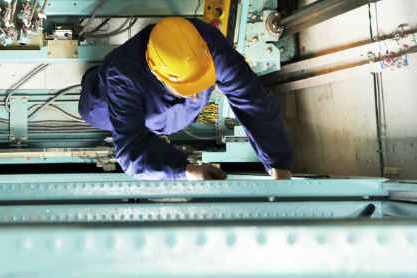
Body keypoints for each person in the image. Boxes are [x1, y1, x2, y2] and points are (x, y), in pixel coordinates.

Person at [79, 16, 292, 180]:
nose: (198, 95)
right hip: (108, 103)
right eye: (189, 88)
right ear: (158, 74)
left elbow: (252, 99)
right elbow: (131, 151)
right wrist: (185, 170)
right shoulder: (123, 75)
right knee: (92, 108)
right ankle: (93, 77)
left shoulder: (207, 44)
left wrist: (278, 164)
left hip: (167, 113)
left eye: (201, 81)